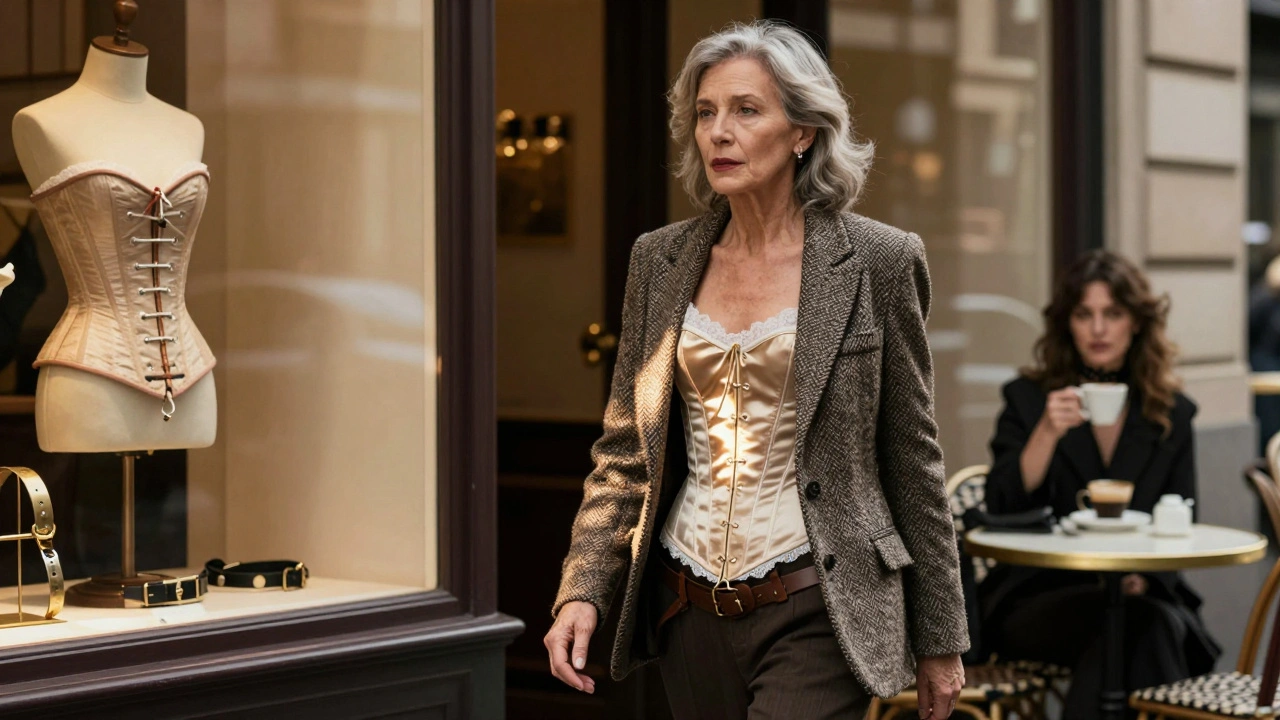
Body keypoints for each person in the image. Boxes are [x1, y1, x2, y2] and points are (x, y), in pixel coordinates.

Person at [544, 20, 968, 720]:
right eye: (706, 113)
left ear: (802, 131)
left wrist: (941, 636)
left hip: (817, 600)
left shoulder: (878, 261)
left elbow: (912, 455)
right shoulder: (660, 260)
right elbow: (625, 452)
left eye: (746, 110)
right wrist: (582, 587)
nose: (718, 132)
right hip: (685, 606)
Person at [982, 250, 1220, 719]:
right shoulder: (1030, 400)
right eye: (1083, 314)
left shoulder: (1171, 413)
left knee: (1132, 626)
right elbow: (1002, 506)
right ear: (1066, 324)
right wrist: (1046, 434)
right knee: (1146, 631)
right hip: (1042, 597)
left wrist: (1142, 576)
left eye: (1112, 314)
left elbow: (1182, 516)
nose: (1097, 329)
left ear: (1136, 323)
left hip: (1142, 594)